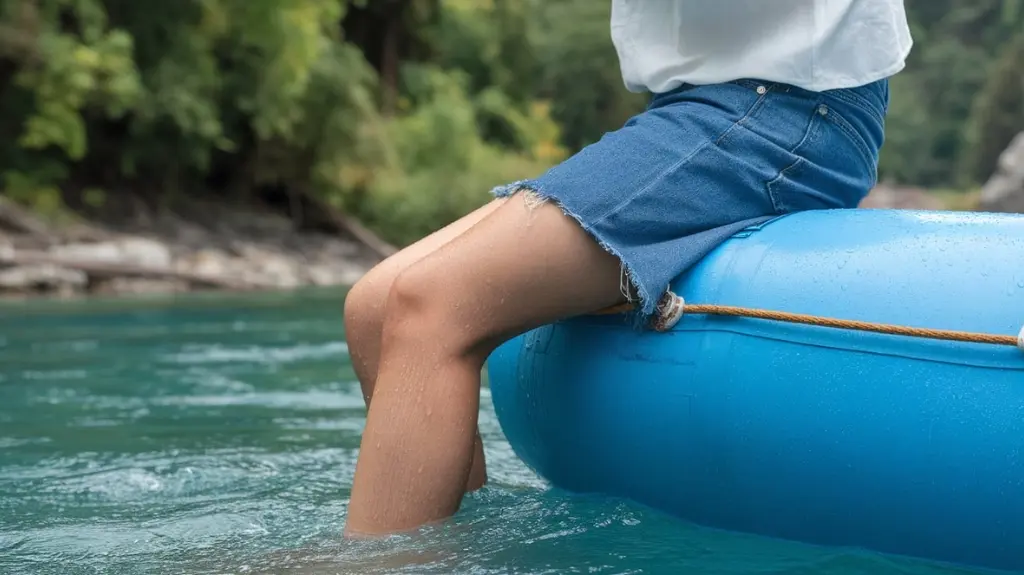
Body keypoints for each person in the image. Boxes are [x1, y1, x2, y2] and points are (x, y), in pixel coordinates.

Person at [342, 0, 913, 537]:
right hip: (692, 109)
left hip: (789, 110)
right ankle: (443, 548)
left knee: (432, 306)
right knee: (373, 306)